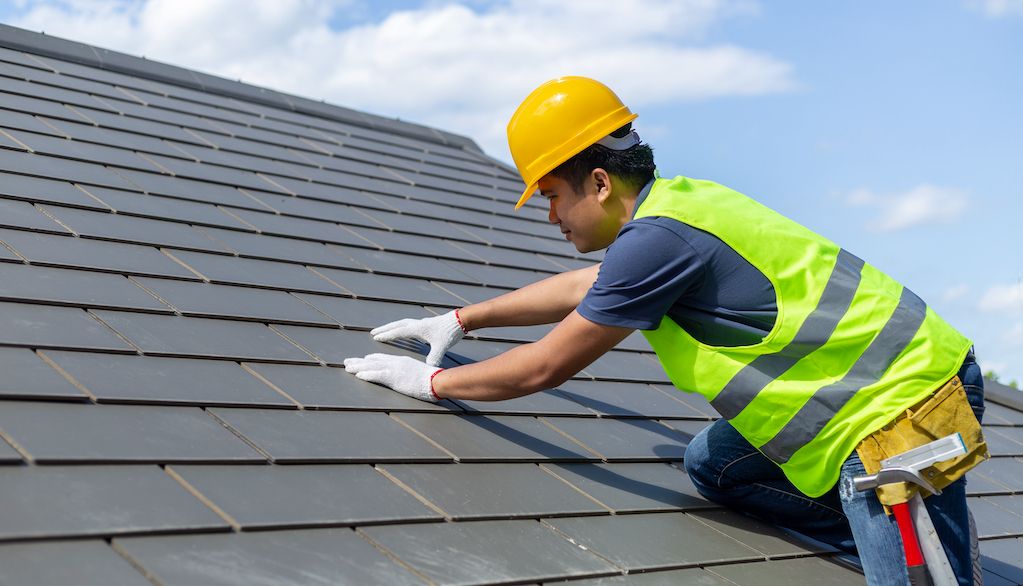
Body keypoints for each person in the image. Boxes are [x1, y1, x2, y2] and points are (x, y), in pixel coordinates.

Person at [344, 76, 986, 585]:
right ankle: (882, 532)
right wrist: (460, 320)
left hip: (905, 415)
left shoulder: (660, 239)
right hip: (865, 404)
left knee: (920, 581)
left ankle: (914, 552)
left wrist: (433, 384)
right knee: (716, 465)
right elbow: (581, 289)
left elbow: (545, 367)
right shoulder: (674, 209)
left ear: (597, 182)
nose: (550, 216)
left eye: (551, 195)